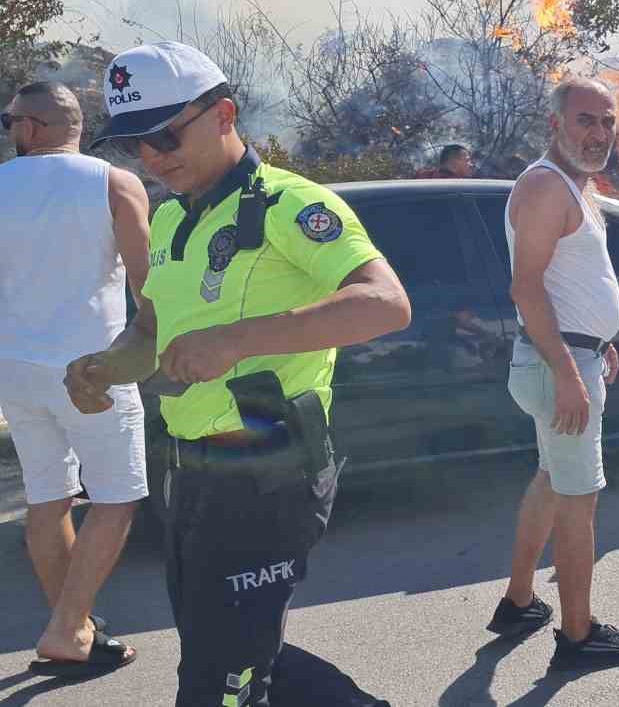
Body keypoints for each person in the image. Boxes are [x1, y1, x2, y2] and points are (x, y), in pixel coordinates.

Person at [66, 41, 412, 705]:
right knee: (225, 649)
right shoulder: (168, 220)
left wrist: (237, 340)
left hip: (270, 474)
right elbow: (150, 331)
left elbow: (386, 303)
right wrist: (105, 368)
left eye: (166, 134)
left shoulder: (288, 205)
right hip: (189, 472)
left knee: (219, 681)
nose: (153, 156)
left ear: (223, 113)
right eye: (136, 142)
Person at [494, 76, 619, 671]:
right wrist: (567, 369)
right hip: (554, 365)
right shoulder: (543, 186)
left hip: (569, 355)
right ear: (556, 125)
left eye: (608, 121)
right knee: (579, 500)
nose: (599, 132)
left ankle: (518, 603)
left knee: (549, 478)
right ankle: (578, 636)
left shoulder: (576, 188)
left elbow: (568, 282)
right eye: (586, 119)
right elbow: (525, 286)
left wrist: (595, 342)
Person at [1, 81, 149, 679]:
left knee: (48, 496)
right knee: (117, 496)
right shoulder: (114, 183)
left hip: (14, 366)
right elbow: (147, 283)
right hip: (91, 367)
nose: (9, 130)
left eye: (11, 120)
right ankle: (68, 627)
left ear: (33, 127)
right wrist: (157, 350)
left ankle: (79, 628)